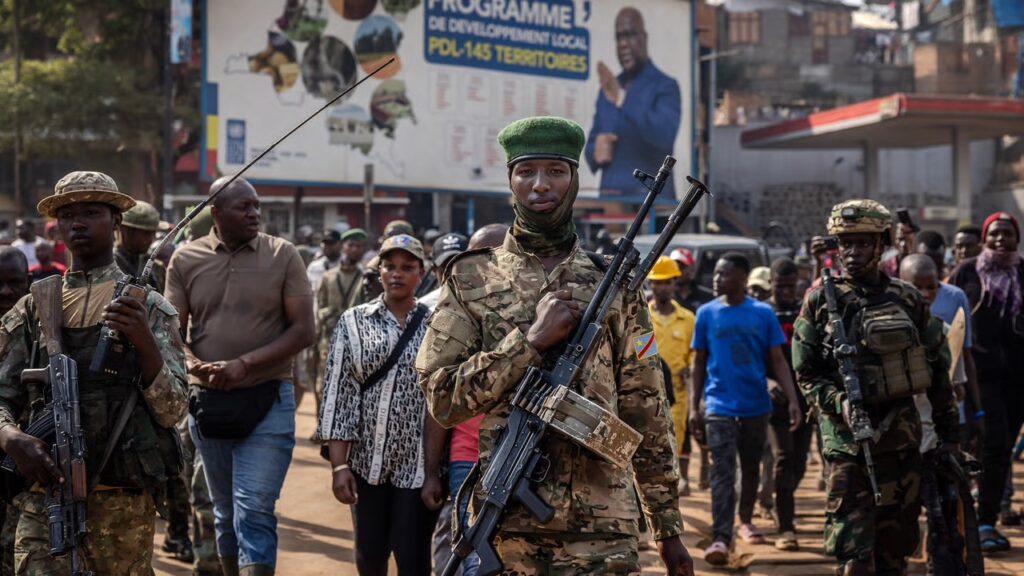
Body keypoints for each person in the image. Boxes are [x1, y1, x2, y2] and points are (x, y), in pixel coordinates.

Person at [417, 116, 694, 575]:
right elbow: (442, 398)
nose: (541, 185)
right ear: (510, 181)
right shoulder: (470, 278)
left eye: (556, 171)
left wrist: (667, 528)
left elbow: (646, 406)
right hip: (507, 526)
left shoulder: (615, 285)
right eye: (526, 171)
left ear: (575, 179)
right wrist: (528, 343)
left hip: (605, 527)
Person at [0, 170, 188, 574]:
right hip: (44, 497)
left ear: (116, 220)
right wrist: (10, 436)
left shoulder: (148, 307)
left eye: (91, 213)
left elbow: (174, 409)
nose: (78, 223)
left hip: (121, 504)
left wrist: (144, 342)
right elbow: (3, 394)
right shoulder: (33, 306)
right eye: (68, 215)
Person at [792, 200, 959, 575]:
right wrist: (839, 402)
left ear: (881, 245)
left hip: (901, 442)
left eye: (863, 243)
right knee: (853, 555)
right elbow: (806, 374)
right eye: (846, 243)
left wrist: (950, 438)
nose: (853, 252)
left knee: (894, 553)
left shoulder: (908, 299)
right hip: (847, 444)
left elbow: (938, 370)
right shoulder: (819, 302)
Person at [166, 176, 316, 576]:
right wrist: (193, 363)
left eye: (257, 206)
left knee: (254, 508)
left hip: (269, 398)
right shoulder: (185, 259)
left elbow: (304, 330)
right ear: (216, 212)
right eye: (243, 207)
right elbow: (172, 332)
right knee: (224, 511)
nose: (255, 214)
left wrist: (245, 364)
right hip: (208, 403)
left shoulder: (283, 254)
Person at [321, 234, 442, 576]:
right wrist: (339, 466)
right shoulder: (353, 322)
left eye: (407, 267)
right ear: (379, 271)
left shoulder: (438, 325)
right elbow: (339, 396)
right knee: (370, 555)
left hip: (417, 467)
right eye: (389, 266)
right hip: (365, 465)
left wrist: (434, 473)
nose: (397, 274)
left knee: (413, 557)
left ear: (422, 273)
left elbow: (440, 402)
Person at [689, 252, 801, 565]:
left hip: (756, 406)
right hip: (718, 405)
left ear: (741, 278)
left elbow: (777, 360)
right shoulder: (706, 314)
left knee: (751, 469)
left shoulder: (762, 314)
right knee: (722, 472)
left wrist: (792, 399)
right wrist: (694, 407)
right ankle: (721, 537)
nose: (716, 279)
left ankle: (746, 520)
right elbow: (698, 363)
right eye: (716, 273)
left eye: (723, 274)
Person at [429, 223, 507, 576]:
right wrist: (431, 472)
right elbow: (438, 399)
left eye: (492, 255)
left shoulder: (543, 306)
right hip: (467, 457)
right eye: (473, 257)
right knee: (474, 557)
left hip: (526, 456)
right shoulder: (454, 313)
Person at [948, 211, 1024, 553]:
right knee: (994, 442)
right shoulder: (967, 272)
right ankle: (982, 521)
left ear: (1017, 238)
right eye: (994, 233)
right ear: (984, 238)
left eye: (1007, 233)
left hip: (1018, 378)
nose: (1000, 239)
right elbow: (948, 316)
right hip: (980, 376)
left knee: (1003, 450)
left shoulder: (1022, 271)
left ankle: (985, 516)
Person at [584, 7, 680, 198]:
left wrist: (622, 100)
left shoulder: (665, 86)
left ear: (644, 38)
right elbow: (592, 143)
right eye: (619, 37)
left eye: (630, 35)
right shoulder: (608, 89)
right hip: (611, 202)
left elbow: (664, 136)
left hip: (650, 203)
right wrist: (596, 150)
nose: (623, 44)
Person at [765, 257, 812, 552]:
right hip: (775, 400)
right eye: (779, 286)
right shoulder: (762, 312)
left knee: (800, 461)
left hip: (805, 396)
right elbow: (751, 355)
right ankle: (786, 526)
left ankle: (778, 500)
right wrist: (765, 382)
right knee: (783, 458)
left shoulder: (805, 311)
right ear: (771, 283)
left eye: (790, 286)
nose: (784, 291)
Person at [646, 256, 696, 495]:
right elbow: (641, 355)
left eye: (667, 282)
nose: (662, 287)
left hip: (679, 392)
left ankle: (672, 489)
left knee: (675, 441)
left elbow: (694, 355)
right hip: (649, 391)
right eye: (658, 282)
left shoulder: (687, 319)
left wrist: (690, 369)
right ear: (651, 285)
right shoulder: (643, 317)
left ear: (675, 283)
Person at [313, 228, 368, 425]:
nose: (354, 249)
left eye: (359, 246)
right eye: (351, 245)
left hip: (358, 340)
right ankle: (323, 425)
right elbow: (320, 306)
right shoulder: (328, 277)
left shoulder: (366, 278)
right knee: (323, 382)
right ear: (343, 247)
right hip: (329, 339)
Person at [0, 247, 29, 575]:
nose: (5, 292)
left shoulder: (40, 328)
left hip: (20, 470)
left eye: (14, 283)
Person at [116, 200, 170, 291]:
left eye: (153, 233)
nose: (150, 239)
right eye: (146, 233)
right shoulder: (108, 264)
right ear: (126, 231)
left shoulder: (156, 268)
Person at [670, 247, 714, 313]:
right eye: (674, 267)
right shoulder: (663, 297)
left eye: (681, 267)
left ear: (692, 268)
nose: (678, 271)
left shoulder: (707, 297)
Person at [306, 229, 345, 295]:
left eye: (331, 243)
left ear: (340, 244)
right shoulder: (314, 266)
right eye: (325, 243)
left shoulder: (347, 266)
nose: (327, 246)